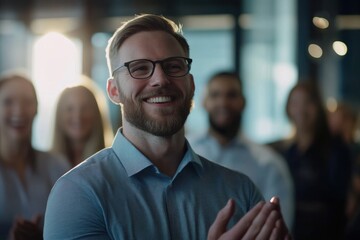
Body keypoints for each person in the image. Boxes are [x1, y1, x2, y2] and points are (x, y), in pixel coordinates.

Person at [44, 14, 291, 239]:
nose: (161, 79)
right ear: (114, 90)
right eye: (140, 68)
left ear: (191, 84)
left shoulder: (241, 190)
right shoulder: (78, 193)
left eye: (173, 66)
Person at [188, 71, 295, 230]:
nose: (223, 102)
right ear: (204, 102)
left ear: (243, 102)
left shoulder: (269, 164)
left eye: (231, 95)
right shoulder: (183, 151)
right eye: (215, 95)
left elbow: (276, 229)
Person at [0, 71, 70, 240]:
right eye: (8, 102)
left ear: (37, 109)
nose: (19, 111)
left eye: (28, 102)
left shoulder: (57, 166)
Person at [283, 80, 351, 240]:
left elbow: (340, 199)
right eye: (295, 103)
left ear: (318, 108)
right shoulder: (288, 152)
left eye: (308, 102)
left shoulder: (336, 149)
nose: (301, 110)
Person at [51, 76, 113, 167]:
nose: (77, 116)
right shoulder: (45, 165)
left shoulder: (111, 162)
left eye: (85, 108)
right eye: (69, 109)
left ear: (96, 113)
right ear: (59, 115)